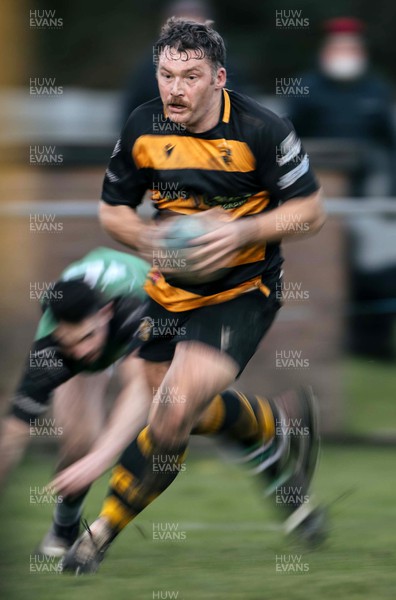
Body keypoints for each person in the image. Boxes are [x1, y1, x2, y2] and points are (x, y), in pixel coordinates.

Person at [59, 18, 326, 574]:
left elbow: (311, 212)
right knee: (175, 415)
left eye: (191, 76)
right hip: (169, 293)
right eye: (166, 74)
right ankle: (276, 431)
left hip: (241, 291)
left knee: (174, 406)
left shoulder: (262, 129)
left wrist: (241, 231)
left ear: (219, 79)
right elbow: (113, 212)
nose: (175, 89)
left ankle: (99, 533)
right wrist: (148, 238)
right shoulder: (142, 126)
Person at [287, 17, 396, 359]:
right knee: (320, 270)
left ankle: (370, 344)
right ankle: (316, 341)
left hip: (367, 200)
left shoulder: (376, 90)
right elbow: (286, 142)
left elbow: (389, 145)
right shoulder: (305, 89)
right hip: (316, 198)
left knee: (376, 272)